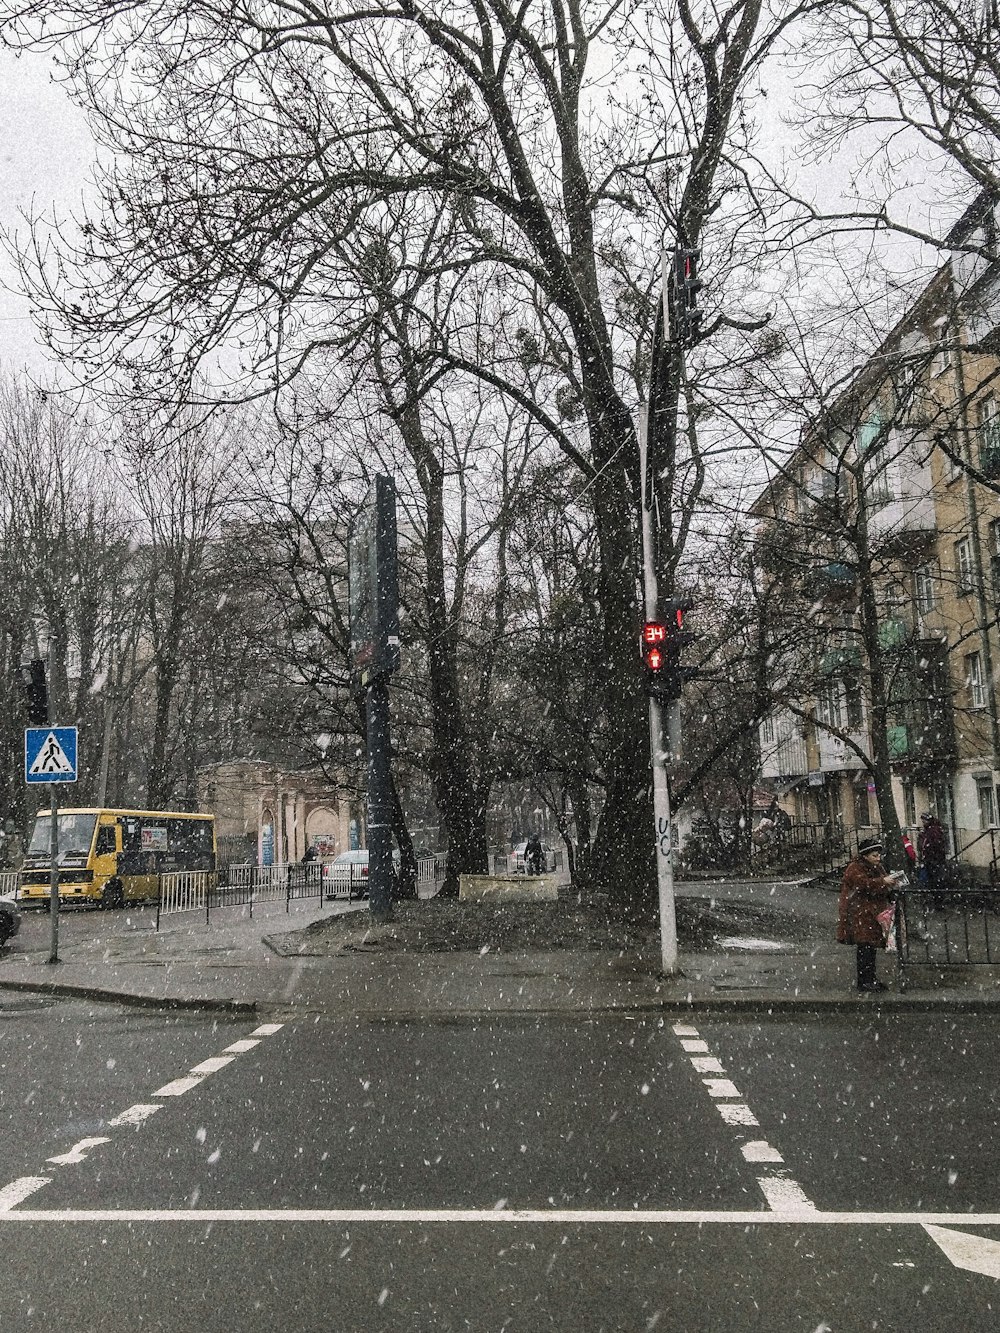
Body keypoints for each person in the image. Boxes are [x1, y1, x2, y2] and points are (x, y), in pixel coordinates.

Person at [836, 837, 901, 993]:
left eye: (878, 855)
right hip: (859, 913)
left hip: (872, 913)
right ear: (865, 855)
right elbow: (863, 885)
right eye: (874, 855)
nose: (878, 858)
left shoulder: (876, 868)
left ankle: (870, 979)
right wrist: (883, 882)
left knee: (870, 947)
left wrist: (890, 884)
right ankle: (865, 981)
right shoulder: (855, 868)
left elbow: (876, 885)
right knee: (865, 946)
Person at [918, 811, 947, 908]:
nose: (923, 823)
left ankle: (938, 902)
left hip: (934, 860)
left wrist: (931, 857)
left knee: (935, 881)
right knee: (933, 881)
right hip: (931, 860)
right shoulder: (928, 831)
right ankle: (936, 901)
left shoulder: (933, 831)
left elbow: (935, 845)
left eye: (924, 820)